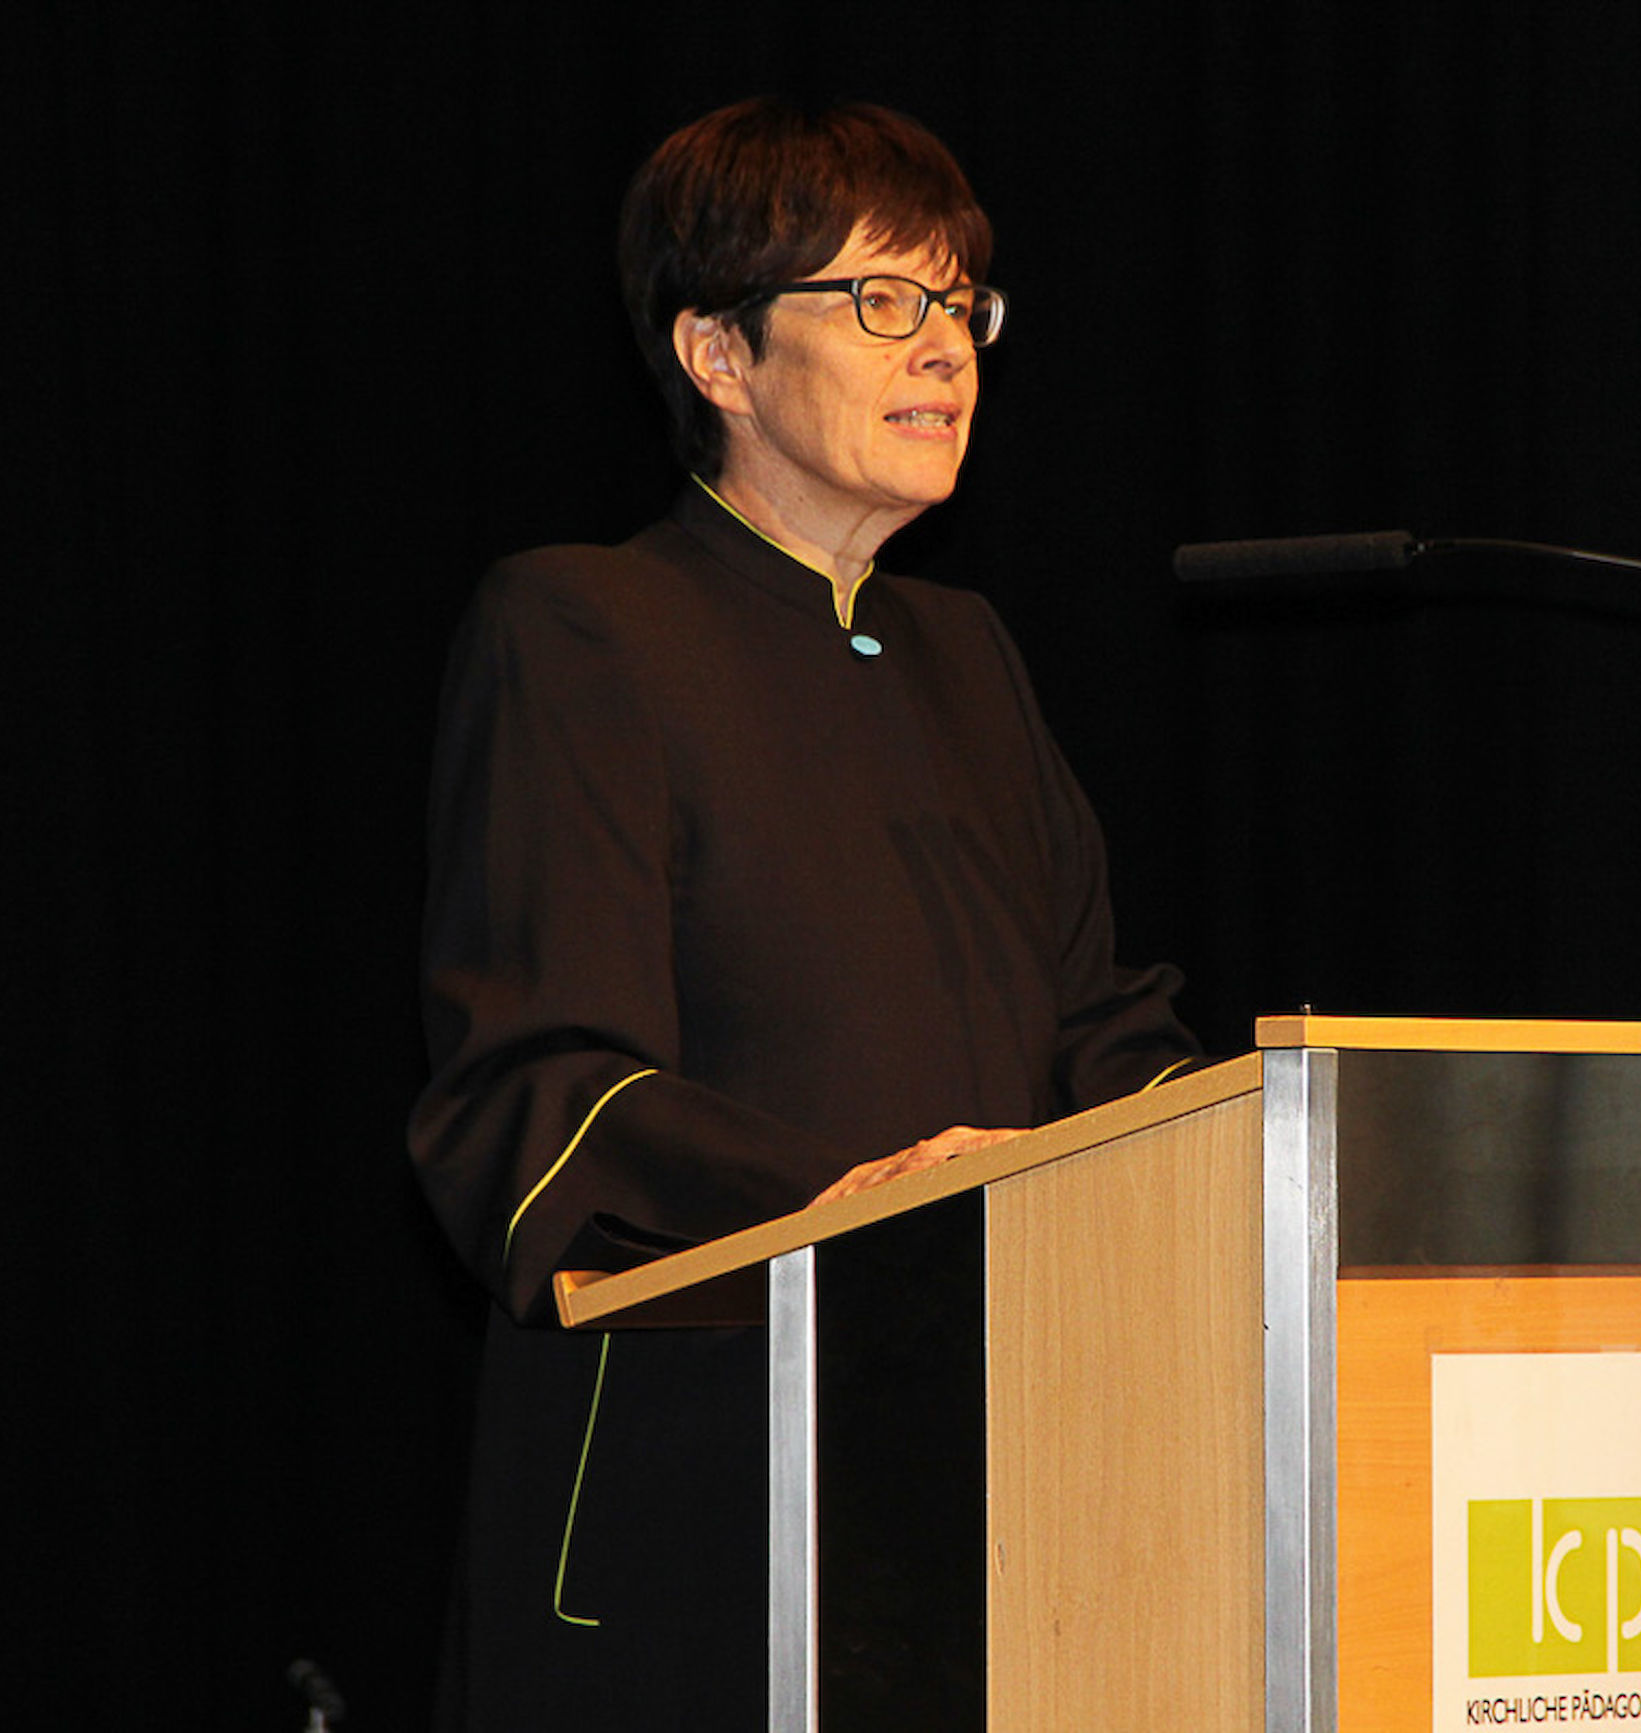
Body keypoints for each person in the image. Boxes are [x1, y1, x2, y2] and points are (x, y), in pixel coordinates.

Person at [407, 97, 1198, 1729]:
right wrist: (854, 1204)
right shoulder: (585, 626)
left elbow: (1099, 1025)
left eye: (961, 302)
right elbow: (538, 1091)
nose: (947, 347)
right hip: (700, 1490)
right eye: (882, 300)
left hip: (998, 1470)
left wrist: (1257, 1165)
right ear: (718, 353)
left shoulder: (967, 653)